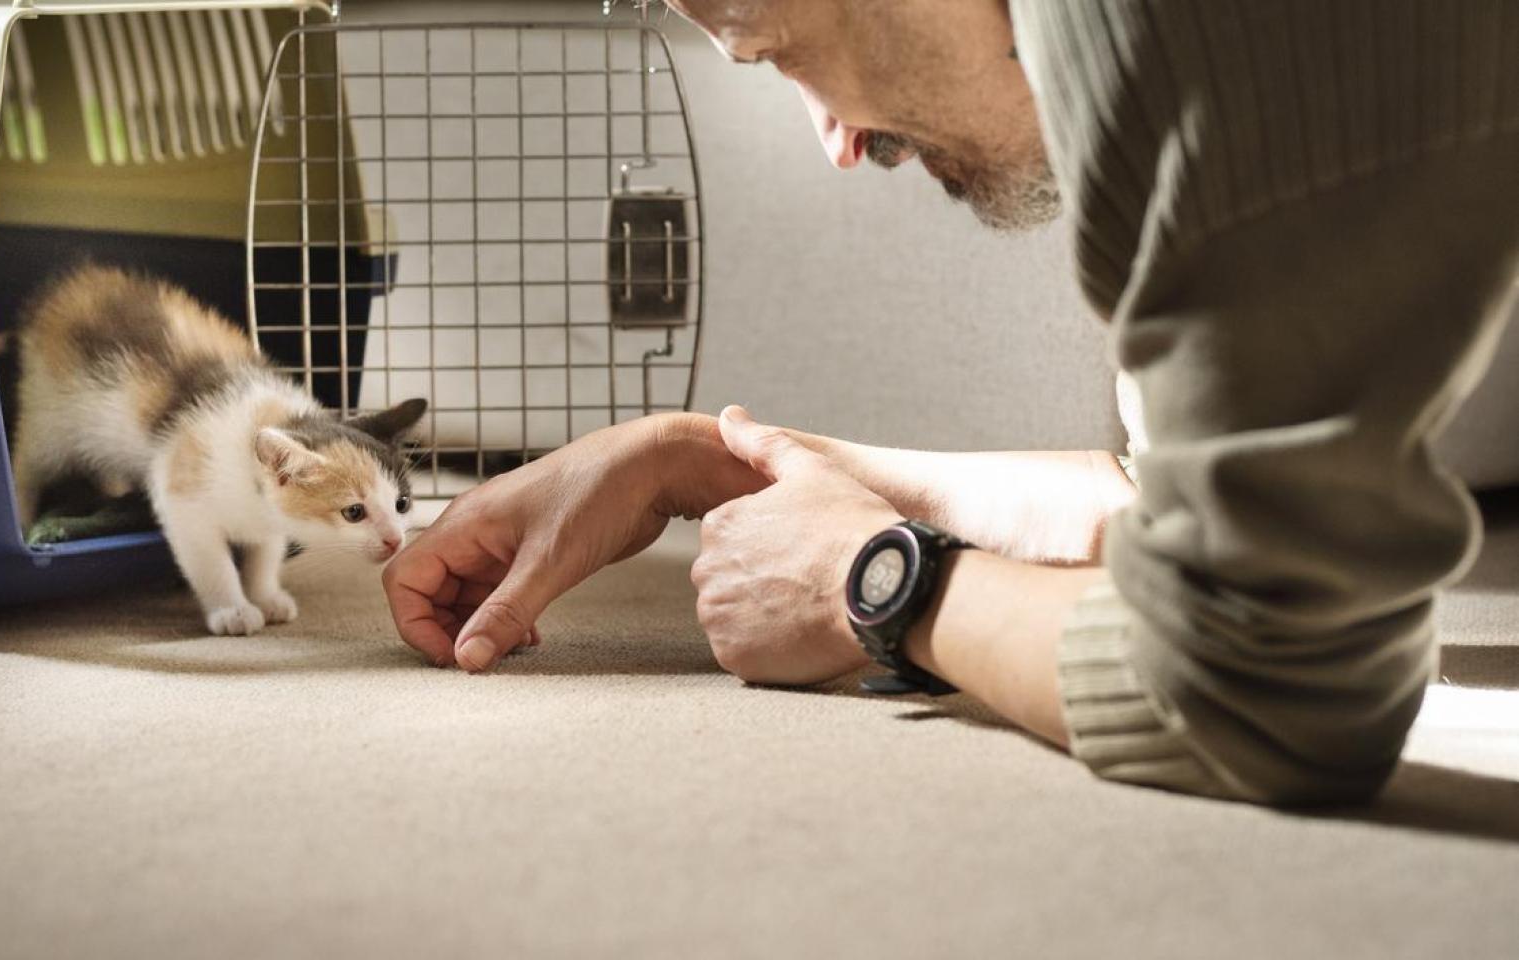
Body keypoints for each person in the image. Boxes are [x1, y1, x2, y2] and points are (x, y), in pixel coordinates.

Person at [383, 0, 1519, 805]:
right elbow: (1162, 503)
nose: (836, 141)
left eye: (773, 50)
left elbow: (1262, 685)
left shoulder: (1192, 37)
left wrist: (877, 580)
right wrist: (699, 458)